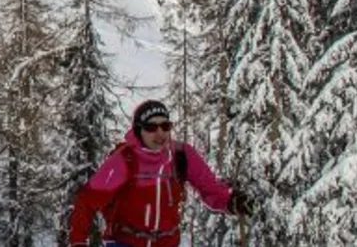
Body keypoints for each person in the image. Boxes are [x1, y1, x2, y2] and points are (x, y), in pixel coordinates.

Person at [65, 100, 254, 247]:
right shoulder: (125, 159)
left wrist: (230, 201)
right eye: (151, 127)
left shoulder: (181, 155)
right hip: (125, 242)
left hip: (167, 243)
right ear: (139, 130)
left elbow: (209, 187)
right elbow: (87, 201)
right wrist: (78, 241)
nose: (160, 133)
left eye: (165, 126)